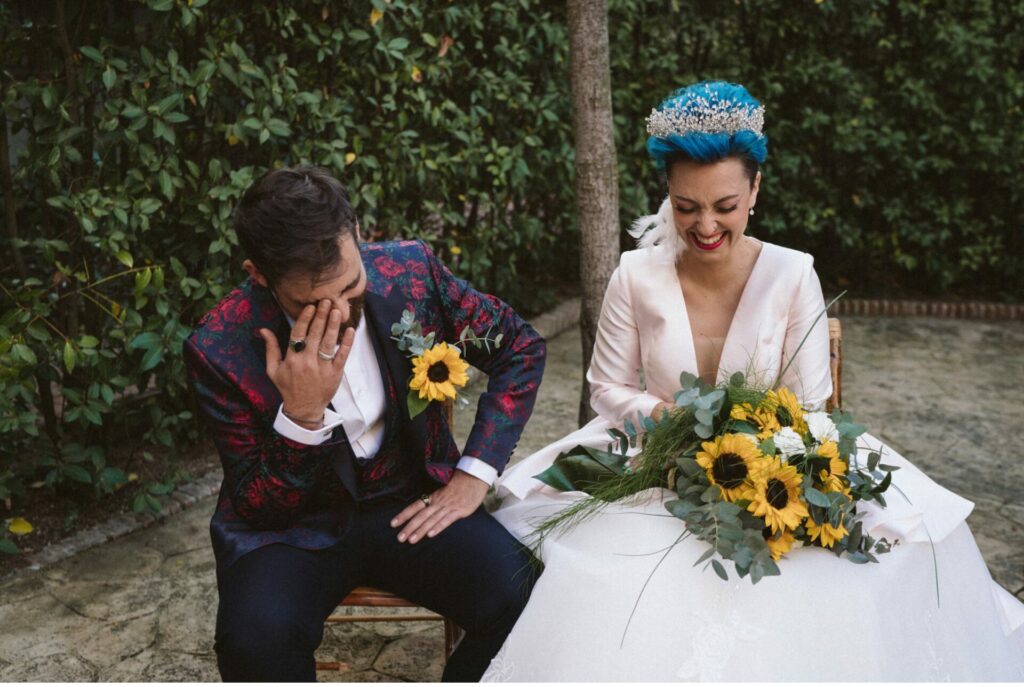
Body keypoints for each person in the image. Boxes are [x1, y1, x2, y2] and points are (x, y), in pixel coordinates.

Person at [482, 82, 1024, 681]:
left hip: (775, 462)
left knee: (885, 562)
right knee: (595, 570)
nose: (705, 225)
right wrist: (675, 427)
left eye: (725, 205)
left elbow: (811, 404)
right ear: (668, 194)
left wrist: (757, 450)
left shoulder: (794, 274)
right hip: (650, 463)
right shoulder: (634, 275)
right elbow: (607, 388)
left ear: (755, 190)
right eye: (686, 207)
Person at [182, 167, 546, 682]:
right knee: (253, 645)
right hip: (292, 529)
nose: (341, 313)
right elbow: (259, 505)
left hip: (409, 497)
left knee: (524, 594)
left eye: (352, 288)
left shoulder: (410, 272)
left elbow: (519, 347)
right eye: (312, 304)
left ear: (357, 232)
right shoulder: (217, 346)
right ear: (259, 274)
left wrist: (473, 474)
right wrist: (301, 418)